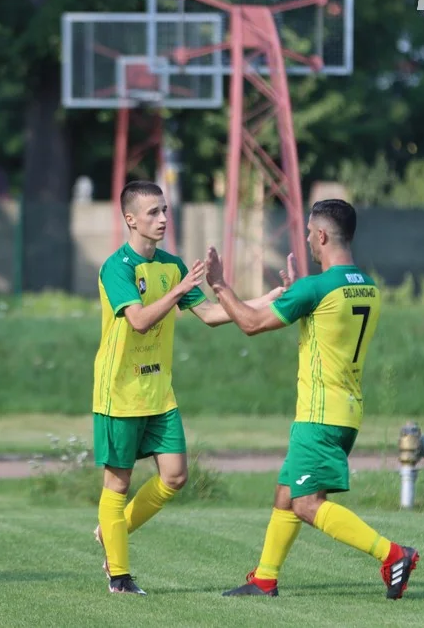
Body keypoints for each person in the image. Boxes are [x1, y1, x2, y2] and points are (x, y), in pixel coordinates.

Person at [206, 198, 420, 601]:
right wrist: (296, 296)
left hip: (319, 415)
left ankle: (393, 555)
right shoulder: (368, 288)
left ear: (321, 235)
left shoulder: (316, 288)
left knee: (305, 503)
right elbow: (326, 316)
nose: (306, 238)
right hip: (348, 412)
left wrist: (219, 285)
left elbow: (251, 323)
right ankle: (264, 579)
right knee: (286, 492)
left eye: (308, 232)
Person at [92, 180, 286, 595]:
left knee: (175, 477)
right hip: (119, 393)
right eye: (153, 213)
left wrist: (269, 299)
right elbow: (140, 320)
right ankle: (120, 577)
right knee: (118, 484)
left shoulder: (172, 264)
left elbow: (214, 315)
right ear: (131, 219)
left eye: (165, 211)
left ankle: (113, 532)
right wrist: (180, 290)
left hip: (158, 392)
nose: (163, 218)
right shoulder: (118, 268)